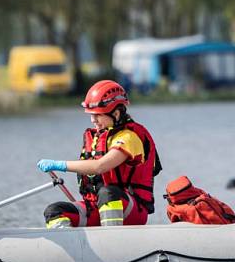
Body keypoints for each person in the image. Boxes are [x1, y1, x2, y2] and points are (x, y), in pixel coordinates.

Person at [37, 80, 161, 228]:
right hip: (97, 206)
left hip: (130, 210)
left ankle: (112, 240)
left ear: (116, 113)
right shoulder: (98, 137)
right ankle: (73, 244)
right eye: (91, 115)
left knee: (108, 192)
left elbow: (99, 166)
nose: (93, 120)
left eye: (98, 115)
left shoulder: (129, 138)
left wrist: (60, 165)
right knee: (54, 211)